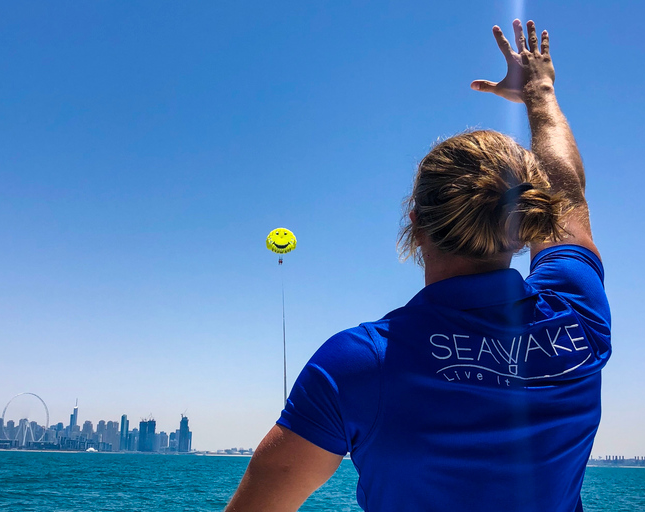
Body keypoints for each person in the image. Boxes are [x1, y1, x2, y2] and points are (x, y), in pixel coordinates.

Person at [226, 19, 611, 512]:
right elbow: (569, 194)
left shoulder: (360, 362)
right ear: (529, 222)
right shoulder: (577, 315)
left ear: (416, 222)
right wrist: (540, 92)